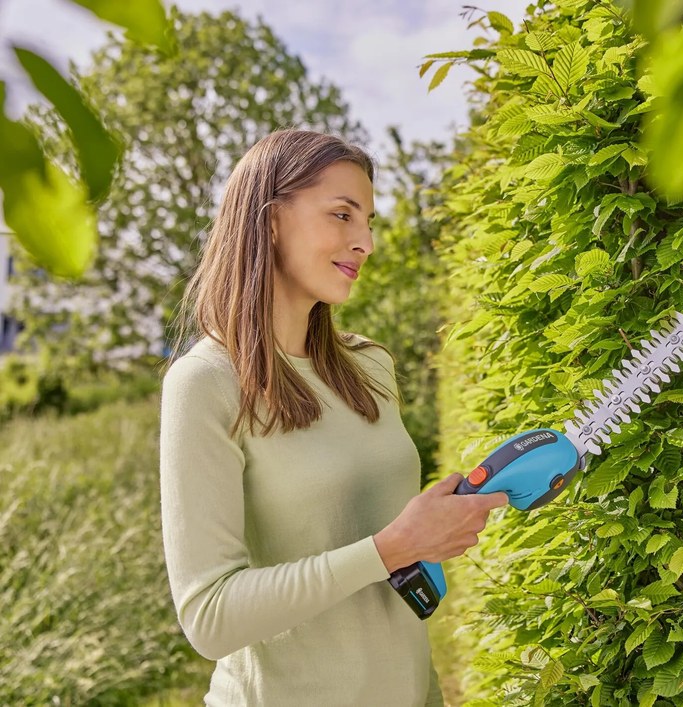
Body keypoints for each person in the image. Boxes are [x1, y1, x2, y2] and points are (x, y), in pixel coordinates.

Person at [158, 128, 509, 706]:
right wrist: (389, 548)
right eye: (343, 215)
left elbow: (384, 542)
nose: (365, 241)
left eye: (368, 221)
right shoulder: (205, 384)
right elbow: (210, 617)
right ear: (269, 220)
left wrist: (434, 525)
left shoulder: (370, 365)